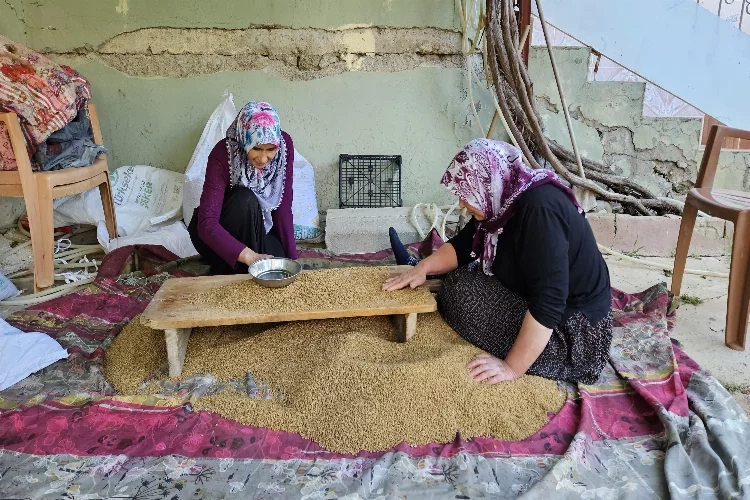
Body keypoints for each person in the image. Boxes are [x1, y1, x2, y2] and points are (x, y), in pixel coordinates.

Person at [384, 139, 612, 385]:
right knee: (462, 280)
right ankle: (432, 274)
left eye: (467, 193)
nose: (462, 204)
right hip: (541, 301)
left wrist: (511, 367)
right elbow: (464, 245)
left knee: (458, 294)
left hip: (574, 334)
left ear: (486, 182)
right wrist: (423, 268)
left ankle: (539, 357)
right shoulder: (505, 197)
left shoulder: (539, 211)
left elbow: (550, 301)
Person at [188, 101, 298, 274]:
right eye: (256, 148)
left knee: (279, 262)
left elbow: (283, 208)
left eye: (270, 149)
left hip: (259, 228)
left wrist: (294, 262)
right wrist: (249, 256)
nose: (263, 158)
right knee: (244, 199)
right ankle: (237, 263)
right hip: (220, 232)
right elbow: (206, 224)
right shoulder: (223, 155)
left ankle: (232, 267)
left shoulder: (285, 148)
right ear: (244, 139)